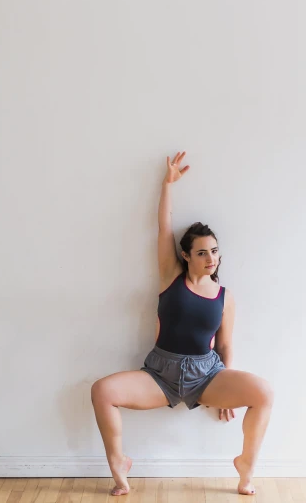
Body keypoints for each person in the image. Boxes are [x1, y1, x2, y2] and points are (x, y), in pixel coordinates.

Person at [90, 151, 275, 497]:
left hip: (206, 376)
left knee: (264, 392)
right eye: (202, 252)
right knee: (102, 391)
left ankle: (246, 465)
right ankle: (119, 462)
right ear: (186, 255)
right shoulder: (170, 277)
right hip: (160, 374)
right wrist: (167, 184)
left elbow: (224, 346)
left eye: (215, 251)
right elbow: (163, 226)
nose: (210, 258)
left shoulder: (225, 297)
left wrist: (226, 392)